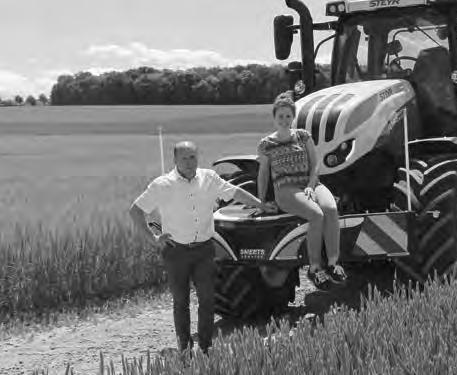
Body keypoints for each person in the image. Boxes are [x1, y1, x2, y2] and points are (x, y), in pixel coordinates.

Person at [128, 141, 268, 355]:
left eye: (193, 157)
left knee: (208, 299)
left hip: (204, 250)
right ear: (175, 160)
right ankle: (184, 349)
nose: (189, 162)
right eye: (184, 158)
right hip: (176, 252)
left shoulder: (209, 178)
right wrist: (154, 237)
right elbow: (136, 211)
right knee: (181, 302)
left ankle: (206, 347)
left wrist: (260, 204)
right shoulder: (162, 184)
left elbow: (234, 192)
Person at [257, 91, 347, 290]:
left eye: (288, 116)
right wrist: (261, 202)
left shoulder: (303, 136)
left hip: (310, 183)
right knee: (315, 215)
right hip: (286, 189)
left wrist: (310, 186)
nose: (284, 120)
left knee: (330, 209)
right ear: (274, 118)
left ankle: (333, 263)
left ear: (293, 117)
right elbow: (263, 174)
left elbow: (315, 164)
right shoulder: (266, 144)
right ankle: (315, 268)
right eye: (280, 116)